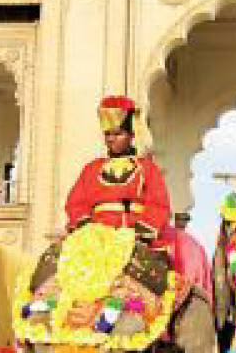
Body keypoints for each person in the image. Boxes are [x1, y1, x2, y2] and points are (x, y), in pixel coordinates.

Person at [63, 96, 171, 243]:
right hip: (95, 236)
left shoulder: (147, 168)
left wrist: (141, 231)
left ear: (131, 135)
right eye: (108, 134)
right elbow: (76, 203)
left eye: (118, 134)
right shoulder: (92, 168)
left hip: (135, 236)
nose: (111, 139)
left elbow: (159, 204)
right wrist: (86, 227)